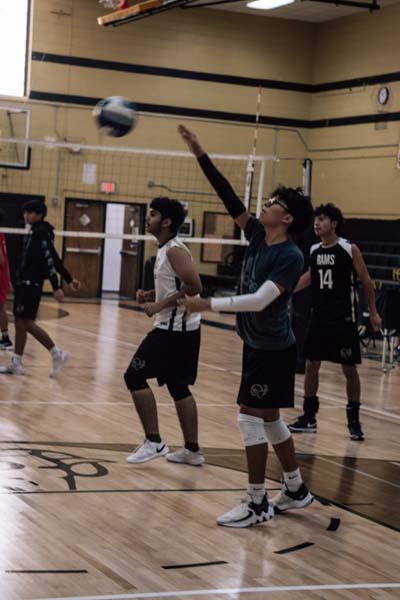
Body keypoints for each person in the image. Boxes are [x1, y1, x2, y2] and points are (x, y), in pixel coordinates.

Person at [178, 124, 314, 528]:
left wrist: (208, 303)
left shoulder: (291, 256)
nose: (264, 206)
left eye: (272, 203)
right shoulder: (256, 234)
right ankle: (295, 489)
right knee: (269, 419)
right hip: (257, 343)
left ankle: (257, 503)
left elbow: (259, 301)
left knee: (249, 418)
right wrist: (200, 152)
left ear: (286, 218)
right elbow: (227, 195)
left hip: (272, 348)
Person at [288, 203, 382, 441]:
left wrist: (373, 312)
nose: (316, 224)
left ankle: (354, 421)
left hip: (342, 319)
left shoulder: (349, 248)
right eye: (315, 220)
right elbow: (311, 276)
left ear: (334, 223)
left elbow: (366, 281)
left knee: (349, 369)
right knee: (311, 366)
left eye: (321, 219)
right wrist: (285, 292)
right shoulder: (314, 250)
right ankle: (309, 417)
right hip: (318, 317)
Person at [124, 197, 204, 466]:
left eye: (153, 214)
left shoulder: (174, 250)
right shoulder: (164, 248)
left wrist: (159, 304)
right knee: (178, 386)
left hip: (174, 329)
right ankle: (192, 450)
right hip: (180, 328)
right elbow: (178, 285)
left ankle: (154, 441)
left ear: (167, 221)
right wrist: (150, 294)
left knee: (133, 376)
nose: (148, 218)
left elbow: (194, 286)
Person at [0, 200, 80, 377]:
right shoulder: (37, 231)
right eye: (25, 212)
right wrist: (69, 278)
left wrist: (56, 286)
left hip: (31, 285)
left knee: (26, 323)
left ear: (39, 214)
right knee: (20, 324)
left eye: (30, 212)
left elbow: (48, 260)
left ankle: (57, 353)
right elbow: (55, 257)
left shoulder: (41, 233)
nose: (26, 216)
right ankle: (16, 362)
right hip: (24, 284)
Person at [0, 209, 12, 350]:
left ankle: (6, 339)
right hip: (3, 276)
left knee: (1, 309)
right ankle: (5, 338)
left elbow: (1, 260)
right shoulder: (1, 234)